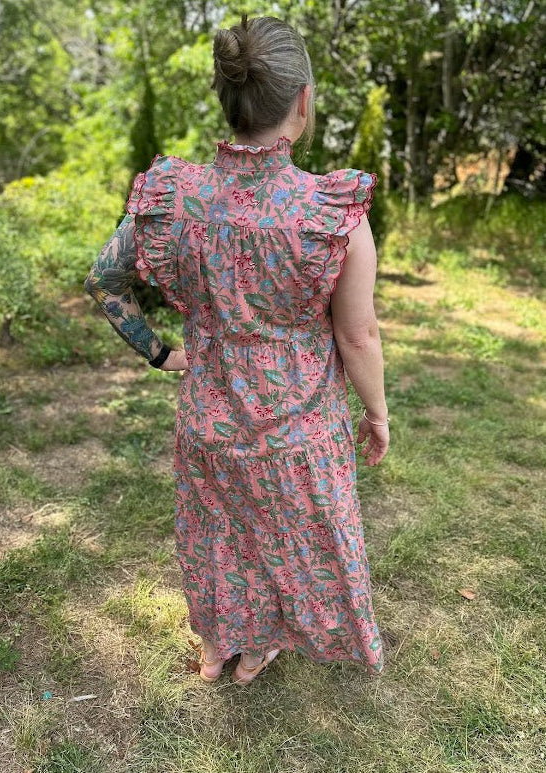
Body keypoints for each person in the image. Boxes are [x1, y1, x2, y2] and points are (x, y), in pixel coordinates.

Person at [85, 14, 389, 686]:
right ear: (303, 102)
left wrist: (160, 353)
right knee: (282, 537)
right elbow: (357, 334)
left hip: (209, 421)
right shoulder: (327, 214)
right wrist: (377, 412)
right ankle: (259, 643)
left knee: (221, 534)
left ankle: (222, 641)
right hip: (296, 427)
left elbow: (104, 279)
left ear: (226, 100)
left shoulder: (175, 199)